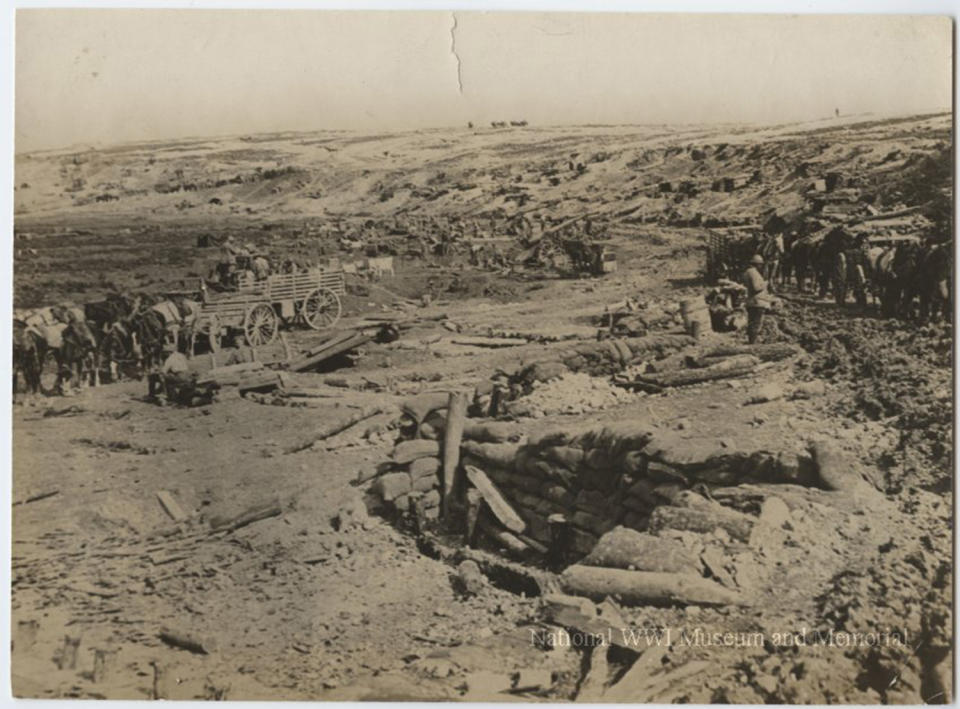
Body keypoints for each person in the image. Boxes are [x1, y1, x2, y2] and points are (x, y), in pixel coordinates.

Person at [743, 254, 770, 344]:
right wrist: (765, 284)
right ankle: (753, 343)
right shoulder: (753, 272)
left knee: (751, 324)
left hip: (751, 302)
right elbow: (756, 288)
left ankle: (751, 342)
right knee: (756, 324)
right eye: (760, 264)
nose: (761, 266)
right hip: (757, 302)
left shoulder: (747, 272)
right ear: (757, 264)